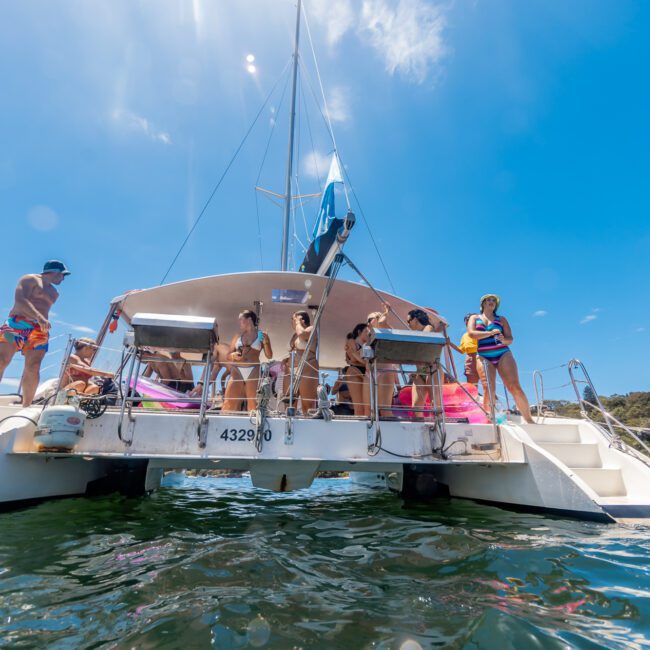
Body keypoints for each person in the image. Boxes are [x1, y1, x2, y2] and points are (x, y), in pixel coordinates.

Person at [0, 260, 70, 406]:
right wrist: (39, 317)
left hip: (39, 329)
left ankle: (26, 406)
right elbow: (20, 300)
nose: (63, 279)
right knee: (2, 360)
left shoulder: (54, 292)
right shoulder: (29, 279)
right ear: (55, 272)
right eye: (63, 275)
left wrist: (40, 320)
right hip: (18, 322)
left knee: (34, 366)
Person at [467, 294, 533, 423]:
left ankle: (529, 419)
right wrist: (490, 333)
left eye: (494, 301)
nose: (492, 302)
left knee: (514, 385)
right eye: (489, 300)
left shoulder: (501, 319)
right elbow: (471, 334)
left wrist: (504, 340)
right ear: (483, 303)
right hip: (483, 355)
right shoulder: (474, 318)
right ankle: (489, 420)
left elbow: (510, 339)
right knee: (488, 387)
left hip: (503, 353)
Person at [222, 309, 272, 412]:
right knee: (228, 401)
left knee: (252, 402)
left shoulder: (261, 335)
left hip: (253, 370)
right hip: (237, 370)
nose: (239, 322)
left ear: (249, 319)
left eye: (241, 320)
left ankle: (252, 426)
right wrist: (233, 355)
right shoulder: (237, 336)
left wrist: (266, 342)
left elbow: (269, 355)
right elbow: (228, 356)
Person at [406, 308, 444, 419]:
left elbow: (423, 341)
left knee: (435, 404)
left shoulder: (428, 328)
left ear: (416, 319)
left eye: (409, 321)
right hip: (420, 372)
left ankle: (439, 428)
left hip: (432, 370)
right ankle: (421, 429)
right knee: (416, 407)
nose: (408, 324)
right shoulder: (417, 333)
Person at [284, 310, 318, 413]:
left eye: (293, 319)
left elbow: (302, 334)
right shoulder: (294, 335)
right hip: (291, 370)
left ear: (302, 320)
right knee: (288, 402)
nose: (292, 322)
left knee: (307, 406)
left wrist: (298, 323)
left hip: (307, 368)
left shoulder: (311, 329)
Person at [367, 303, 396, 417]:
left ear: (378, 318)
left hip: (385, 372)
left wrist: (386, 312)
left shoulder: (386, 329)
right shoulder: (370, 335)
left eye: (370, 319)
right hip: (371, 373)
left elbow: (382, 322)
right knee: (371, 410)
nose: (367, 323)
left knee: (384, 410)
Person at [344, 323, 370, 417]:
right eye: (366, 331)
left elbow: (355, 358)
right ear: (359, 332)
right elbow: (353, 359)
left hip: (365, 372)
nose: (368, 333)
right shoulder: (352, 341)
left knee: (368, 407)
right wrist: (362, 360)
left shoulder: (368, 344)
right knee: (359, 408)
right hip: (355, 371)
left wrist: (356, 356)